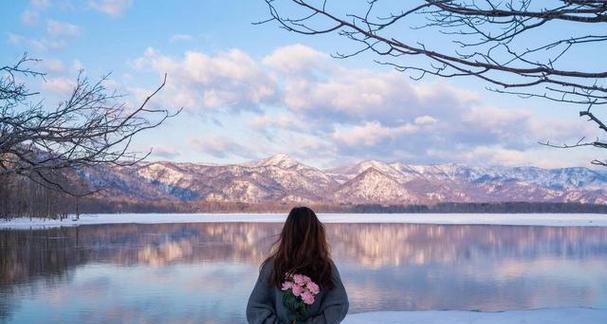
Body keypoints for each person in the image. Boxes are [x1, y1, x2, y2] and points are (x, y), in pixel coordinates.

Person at [247, 207, 349, 323]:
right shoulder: (325, 266)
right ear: (316, 233)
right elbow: (339, 306)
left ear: (287, 233)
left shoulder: (325, 267)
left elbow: (255, 310)